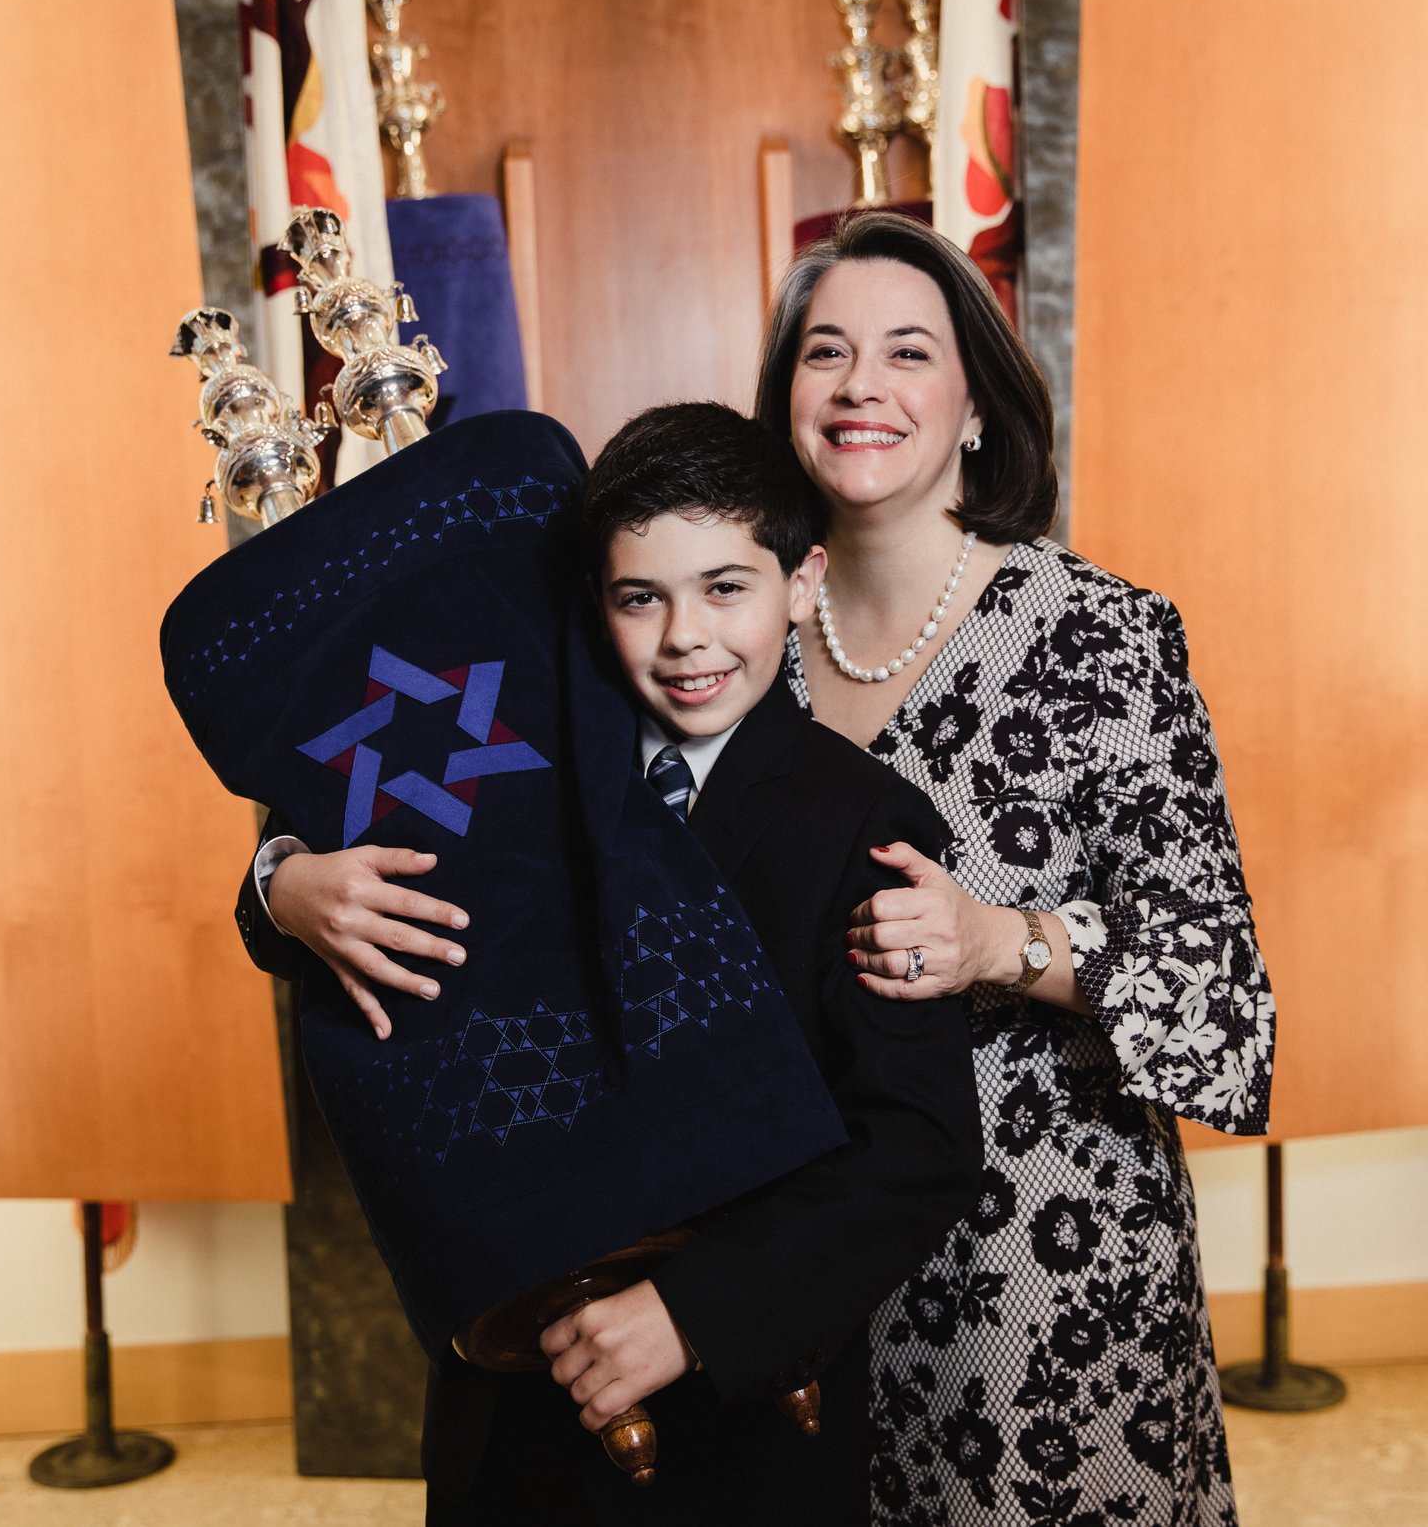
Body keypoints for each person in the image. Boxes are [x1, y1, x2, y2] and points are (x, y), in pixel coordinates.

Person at [237, 402, 983, 1525]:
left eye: (726, 586)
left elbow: (916, 1146)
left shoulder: (862, 822)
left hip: (737, 1422)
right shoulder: (501, 753)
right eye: (642, 596)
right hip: (504, 1401)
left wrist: (692, 1312)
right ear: (595, 598)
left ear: (803, 576)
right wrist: (285, 885)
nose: (686, 637)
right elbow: (336, 872)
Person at [751, 210, 1274, 1527]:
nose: (862, 383)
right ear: (788, 401)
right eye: (827, 352)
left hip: (1047, 1278)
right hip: (799, 1273)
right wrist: (287, 872)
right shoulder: (734, 647)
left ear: (974, 402)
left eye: (907, 352)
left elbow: (1215, 993)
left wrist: (999, 939)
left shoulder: (1101, 635)